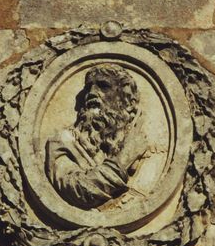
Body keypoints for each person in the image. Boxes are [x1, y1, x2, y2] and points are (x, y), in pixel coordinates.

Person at [45, 63, 147, 209]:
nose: (91, 93)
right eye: (88, 88)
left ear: (128, 102)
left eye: (103, 86)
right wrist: (122, 161)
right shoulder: (63, 142)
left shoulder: (137, 140)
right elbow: (78, 190)